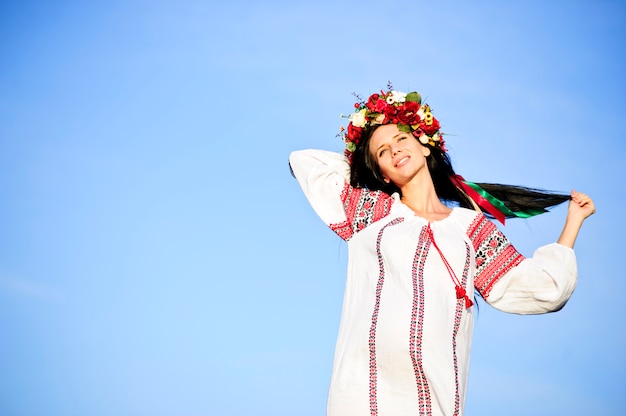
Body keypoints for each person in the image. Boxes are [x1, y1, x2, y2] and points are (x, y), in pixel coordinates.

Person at [289, 85, 595, 416]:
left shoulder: (471, 230)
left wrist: (573, 222)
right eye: (382, 152)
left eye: (401, 139)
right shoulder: (370, 212)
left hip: (433, 398)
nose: (394, 150)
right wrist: (365, 167)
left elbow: (543, 289)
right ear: (382, 174)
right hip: (364, 394)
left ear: (424, 144)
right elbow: (305, 163)